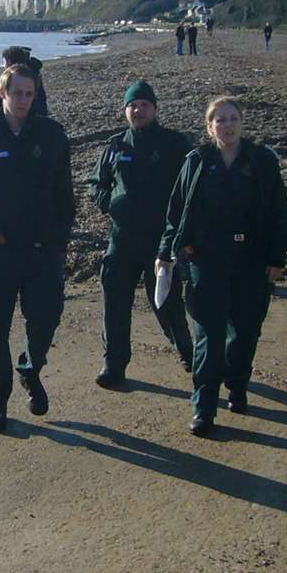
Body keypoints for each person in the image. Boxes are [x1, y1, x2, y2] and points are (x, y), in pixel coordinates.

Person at [157, 96, 287, 436]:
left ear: (241, 123)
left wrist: (277, 259)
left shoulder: (261, 161)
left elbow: (279, 213)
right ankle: (203, 406)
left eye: (233, 118)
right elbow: (176, 212)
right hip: (206, 260)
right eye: (220, 120)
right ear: (209, 126)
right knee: (209, 337)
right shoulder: (198, 161)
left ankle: (238, 383)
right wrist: (167, 251)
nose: (227, 125)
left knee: (244, 334)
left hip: (251, 259)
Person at [0, 64, 75, 434]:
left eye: (29, 93)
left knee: (45, 318)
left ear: (35, 95)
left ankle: (31, 368)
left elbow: (65, 196)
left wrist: (59, 243)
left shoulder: (53, 135)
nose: (23, 99)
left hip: (42, 251)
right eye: (17, 92)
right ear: (3, 94)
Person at [88, 80, 194, 388]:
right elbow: (98, 182)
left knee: (165, 301)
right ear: (126, 111)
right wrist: (106, 201)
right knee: (115, 300)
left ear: (155, 109)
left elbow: (190, 186)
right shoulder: (116, 145)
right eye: (133, 105)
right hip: (121, 238)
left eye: (144, 105)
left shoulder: (174, 143)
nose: (138, 110)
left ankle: (187, 352)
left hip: (160, 240)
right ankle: (114, 363)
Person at [0, 46, 49, 120]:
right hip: (36, 120)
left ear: (8, 62)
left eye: (4, 63)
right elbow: (41, 102)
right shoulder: (34, 76)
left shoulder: (8, 79)